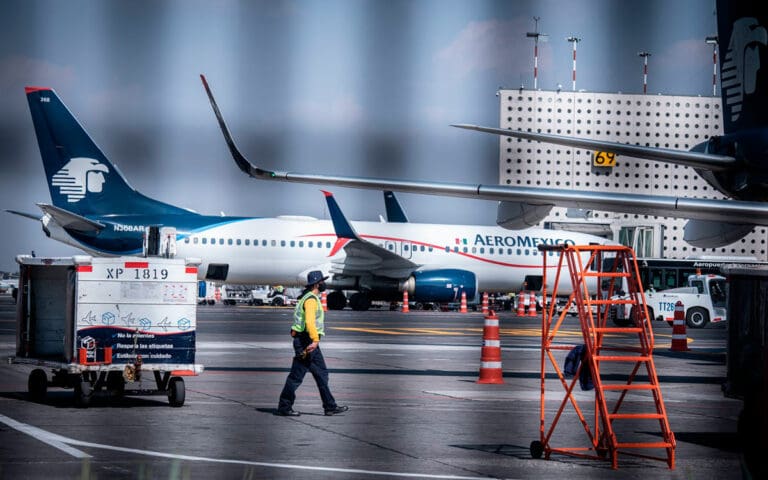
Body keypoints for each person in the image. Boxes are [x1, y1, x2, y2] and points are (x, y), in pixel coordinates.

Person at [276, 271, 348, 417]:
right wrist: (315, 340)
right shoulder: (310, 300)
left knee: (321, 374)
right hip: (306, 342)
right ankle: (284, 406)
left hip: (307, 341)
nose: (324, 284)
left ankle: (330, 406)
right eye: (322, 282)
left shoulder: (307, 297)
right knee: (296, 376)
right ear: (317, 284)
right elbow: (309, 322)